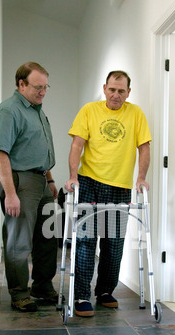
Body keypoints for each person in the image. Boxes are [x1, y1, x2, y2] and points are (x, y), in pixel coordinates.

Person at [65, 70, 152, 317]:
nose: (116, 95)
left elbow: (144, 147)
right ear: (104, 88)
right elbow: (77, 145)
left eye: (121, 91)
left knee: (114, 243)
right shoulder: (89, 110)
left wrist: (141, 177)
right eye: (112, 89)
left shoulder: (135, 114)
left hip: (120, 186)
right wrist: (73, 176)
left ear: (128, 92)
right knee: (86, 241)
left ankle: (104, 291)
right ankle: (81, 294)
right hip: (91, 181)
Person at [0, 62, 58, 312]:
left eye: (46, 87)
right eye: (38, 87)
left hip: (41, 181)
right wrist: (10, 193)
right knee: (19, 240)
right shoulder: (9, 111)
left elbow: (41, 149)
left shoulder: (37, 110)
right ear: (21, 84)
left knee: (48, 237)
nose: (43, 92)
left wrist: (50, 180)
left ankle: (42, 287)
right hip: (19, 181)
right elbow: (0, 154)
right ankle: (20, 293)